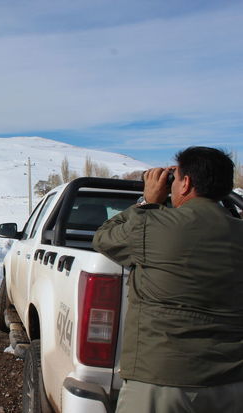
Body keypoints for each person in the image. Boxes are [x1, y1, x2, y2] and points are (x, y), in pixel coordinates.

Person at [92, 146, 243, 413]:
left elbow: (103, 237)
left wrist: (147, 203)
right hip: (232, 381)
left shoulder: (151, 225)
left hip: (161, 379)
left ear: (185, 183)